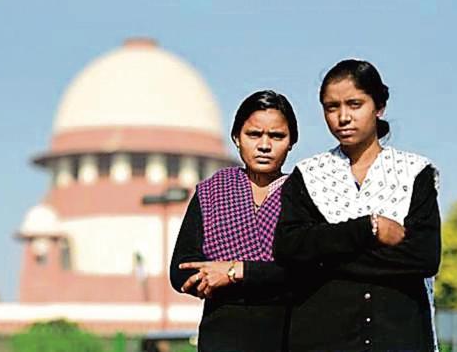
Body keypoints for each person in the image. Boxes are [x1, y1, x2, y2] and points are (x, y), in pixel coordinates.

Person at [273, 59, 441, 351]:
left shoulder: (414, 173)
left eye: (354, 104)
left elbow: (424, 257)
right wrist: (367, 229)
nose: (342, 117)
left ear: (379, 107)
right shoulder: (310, 175)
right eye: (331, 107)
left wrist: (325, 259)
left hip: (397, 337)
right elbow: (290, 248)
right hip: (322, 338)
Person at [170, 90, 298, 352]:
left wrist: (233, 272)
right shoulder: (212, 193)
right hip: (222, 336)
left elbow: (308, 269)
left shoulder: (302, 194)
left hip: (286, 335)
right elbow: (180, 269)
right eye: (254, 135)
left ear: (291, 142)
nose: (264, 145)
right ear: (236, 138)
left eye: (277, 136)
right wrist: (265, 273)